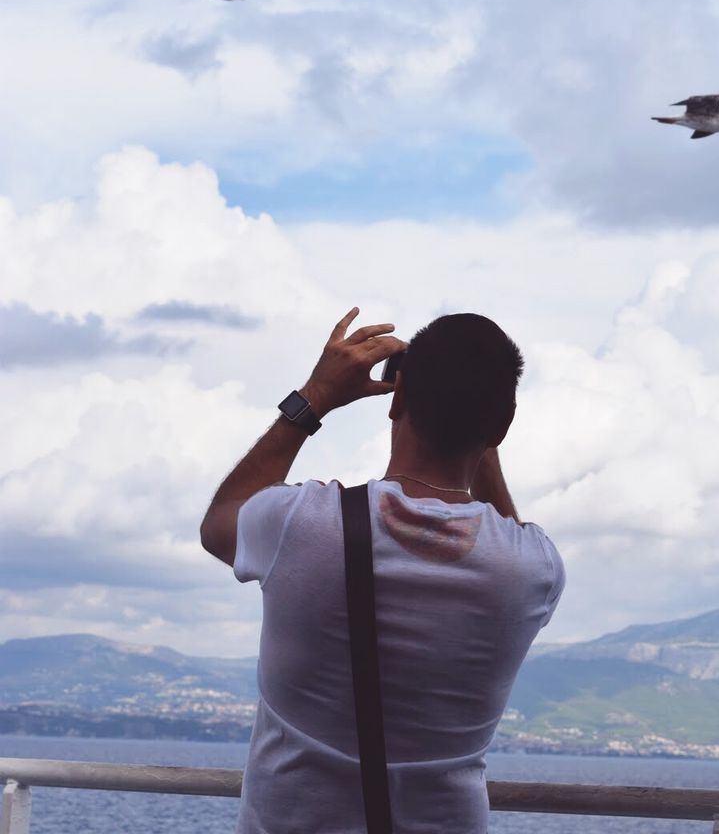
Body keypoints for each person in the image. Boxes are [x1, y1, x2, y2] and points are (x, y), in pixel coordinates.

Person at [200, 306, 565, 834]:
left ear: (397, 402)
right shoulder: (533, 567)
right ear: (503, 425)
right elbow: (507, 530)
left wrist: (313, 398)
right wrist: (479, 432)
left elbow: (219, 524)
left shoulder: (299, 525)